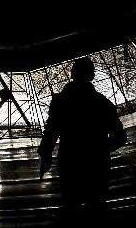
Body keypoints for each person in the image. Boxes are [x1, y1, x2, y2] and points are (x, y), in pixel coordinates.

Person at [37, 57, 126, 208]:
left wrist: (46, 156)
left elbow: (51, 132)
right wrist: (100, 149)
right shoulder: (103, 104)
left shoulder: (60, 102)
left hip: (70, 164)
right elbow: (120, 136)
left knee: (71, 206)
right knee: (96, 207)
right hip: (97, 167)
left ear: (72, 74)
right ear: (92, 76)